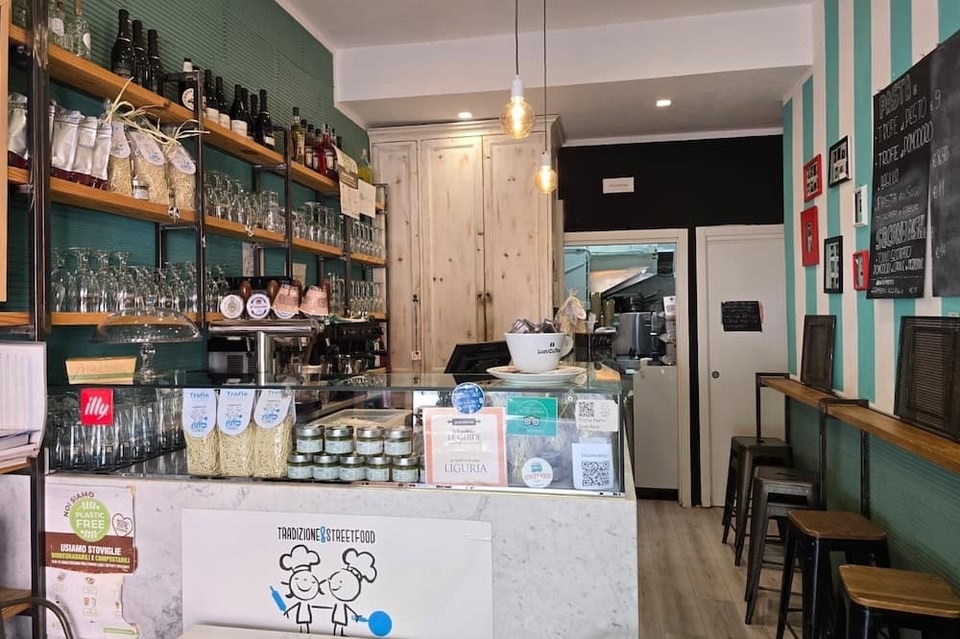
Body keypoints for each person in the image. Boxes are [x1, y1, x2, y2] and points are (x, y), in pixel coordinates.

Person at [320, 548, 378, 636]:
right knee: (338, 626)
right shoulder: (336, 601)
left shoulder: (342, 603)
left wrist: (356, 616)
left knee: (340, 626)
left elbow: (348, 609)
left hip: (341, 617)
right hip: (338, 616)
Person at [278, 544, 330, 633]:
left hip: (306, 616)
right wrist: (287, 611)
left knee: (305, 626)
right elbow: (295, 606)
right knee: (302, 627)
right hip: (301, 616)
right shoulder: (301, 602)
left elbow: (314, 606)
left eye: (311, 581)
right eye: (297, 579)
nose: (305, 582)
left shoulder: (308, 602)